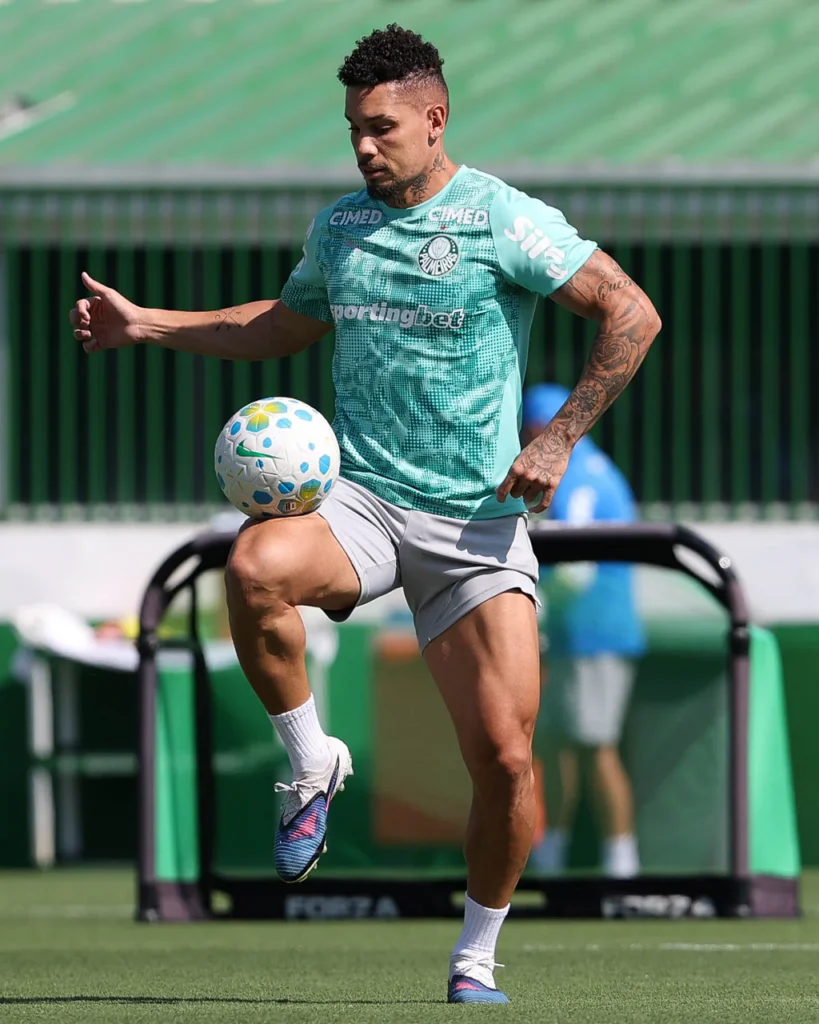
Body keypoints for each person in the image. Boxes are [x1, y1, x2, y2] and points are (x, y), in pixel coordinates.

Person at [70, 25, 661, 1003]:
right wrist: (149, 325)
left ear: (435, 120)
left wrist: (557, 439)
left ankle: (475, 956)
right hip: (363, 504)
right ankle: (311, 763)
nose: (363, 146)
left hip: (475, 528)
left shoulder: (503, 219)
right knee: (253, 567)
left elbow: (631, 312)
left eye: (381, 127)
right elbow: (283, 324)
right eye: (353, 127)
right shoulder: (340, 228)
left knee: (506, 760)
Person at [522, 384, 646, 880]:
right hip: (576, 636)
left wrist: (530, 604)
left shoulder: (579, 477)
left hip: (595, 636)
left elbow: (575, 571)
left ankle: (622, 862)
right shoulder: (592, 468)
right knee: (558, 745)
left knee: (596, 746)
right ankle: (552, 856)